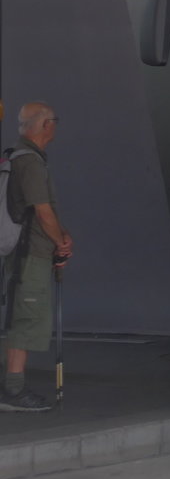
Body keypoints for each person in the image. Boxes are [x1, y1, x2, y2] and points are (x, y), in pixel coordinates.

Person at [0, 102, 72, 412]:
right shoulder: (29, 162)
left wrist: (62, 236)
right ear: (44, 125)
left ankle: (12, 387)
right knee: (25, 321)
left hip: (28, 254)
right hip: (30, 256)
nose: (56, 125)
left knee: (22, 318)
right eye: (55, 120)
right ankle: (13, 390)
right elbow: (42, 212)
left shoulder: (24, 157)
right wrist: (61, 243)